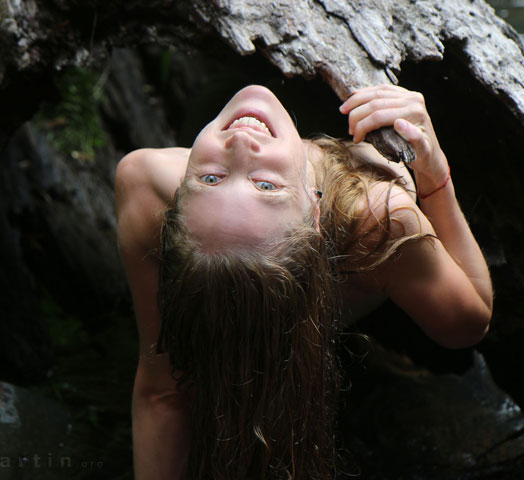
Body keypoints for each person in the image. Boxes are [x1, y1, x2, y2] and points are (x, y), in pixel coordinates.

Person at [115, 84, 493, 480]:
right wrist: (434, 175)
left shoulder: (148, 181)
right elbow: (469, 323)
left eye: (211, 179)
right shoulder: (381, 217)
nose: (242, 143)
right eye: (265, 186)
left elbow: (160, 389)